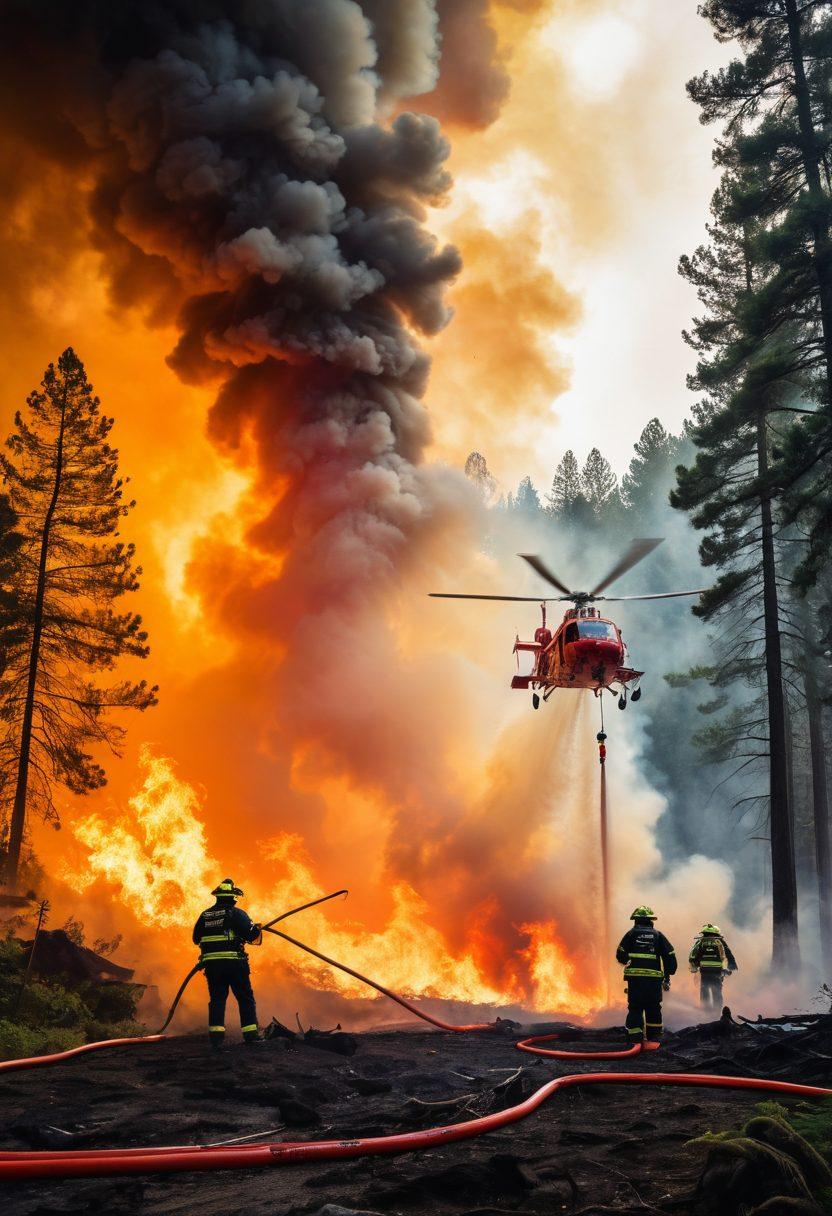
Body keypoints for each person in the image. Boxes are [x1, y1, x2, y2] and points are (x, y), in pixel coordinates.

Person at [192, 878, 263, 1047]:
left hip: (212, 966)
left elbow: (196, 939)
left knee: (217, 999)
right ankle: (250, 1035)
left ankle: (216, 1039)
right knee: (245, 997)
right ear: (233, 897)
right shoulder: (236, 914)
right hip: (234, 963)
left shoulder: (205, 915)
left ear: (217, 896)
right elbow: (252, 935)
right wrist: (257, 928)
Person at [616, 905, 677, 1050]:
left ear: (635, 920)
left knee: (635, 1007)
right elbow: (670, 955)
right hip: (653, 979)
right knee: (653, 1007)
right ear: (651, 921)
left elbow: (620, 953)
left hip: (635, 978)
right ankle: (654, 1039)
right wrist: (669, 972)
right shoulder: (658, 935)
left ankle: (634, 1039)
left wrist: (626, 960)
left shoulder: (630, 934)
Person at [689, 923, 737, 1011]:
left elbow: (693, 955)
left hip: (704, 971)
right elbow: (727, 953)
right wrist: (732, 966)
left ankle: (706, 1011)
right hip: (717, 971)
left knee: (704, 989)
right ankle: (717, 1011)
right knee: (717, 991)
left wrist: (694, 966)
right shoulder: (719, 941)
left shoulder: (701, 942)